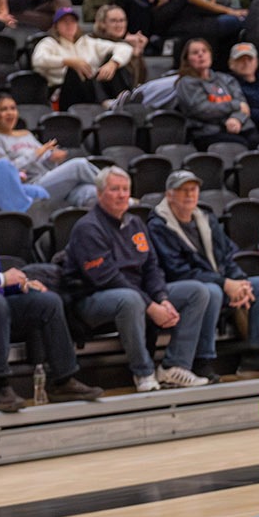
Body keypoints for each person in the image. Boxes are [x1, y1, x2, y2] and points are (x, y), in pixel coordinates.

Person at [61, 168, 215, 392]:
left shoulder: (135, 224)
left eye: (125, 189)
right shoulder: (88, 228)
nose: (122, 195)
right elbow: (107, 278)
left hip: (136, 294)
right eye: (115, 189)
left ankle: (174, 367)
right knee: (130, 298)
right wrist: (151, 306)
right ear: (100, 193)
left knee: (197, 291)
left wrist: (162, 298)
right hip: (91, 299)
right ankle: (143, 373)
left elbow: (151, 267)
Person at [150, 170, 259, 378]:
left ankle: (255, 355)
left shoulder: (206, 219)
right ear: (169, 195)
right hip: (182, 288)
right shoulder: (159, 226)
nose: (189, 195)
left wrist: (240, 281)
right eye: (183, 190)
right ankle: (202, 359)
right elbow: (177, 271)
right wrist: (224, 283)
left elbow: (227, 256)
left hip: (216, 282)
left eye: (193, 189)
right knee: (211, 291)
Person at [0, 215, 100, 412]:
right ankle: (0, 387)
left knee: (46, 301)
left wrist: (19, 285)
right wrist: (1, 279)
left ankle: (63, 380)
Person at [0, 91, 102, 210]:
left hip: (50, 180)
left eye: (13, 108)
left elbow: (45, 162)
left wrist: (52, 158)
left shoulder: (26, 134)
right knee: (79, 165)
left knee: (90, 193)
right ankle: (114, 183)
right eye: (3, 109)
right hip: (30, 185)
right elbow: (5, 171)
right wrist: (35, 154)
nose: (10, 113)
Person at [31, 6, 135, 109]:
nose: (69, 25)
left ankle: (124, 99)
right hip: (63, 92)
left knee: (114, 60)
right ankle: (104, 102)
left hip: (91, 87)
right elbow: (38, 60)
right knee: (76, 68)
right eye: (64, 22)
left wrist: (113, 63)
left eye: (72, 21)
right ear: (56, 26)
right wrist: (68, 62)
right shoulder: (48, 43)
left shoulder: (88, 42)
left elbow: (124, 48)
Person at [173, 38, 255, 149]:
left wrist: (237, 119)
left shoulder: (226, 78)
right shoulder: (186, 83)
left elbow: (243, 104)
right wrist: (234, 106)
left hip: (237, 126)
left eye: (204, 51)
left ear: (210, 55)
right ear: (187, 59)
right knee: (239, 146)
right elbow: (201, 109)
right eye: (195, 53)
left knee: (258, 142)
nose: (201, 55)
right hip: (207, 132)